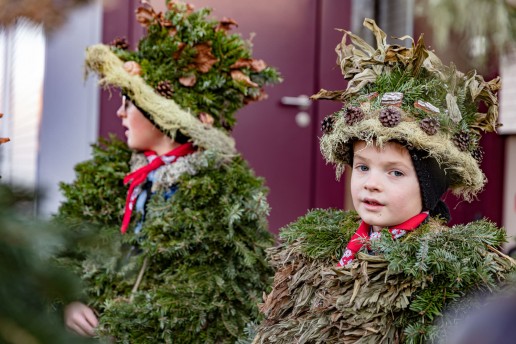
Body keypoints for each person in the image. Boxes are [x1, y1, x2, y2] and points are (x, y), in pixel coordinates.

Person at [251, 19, 514, 343]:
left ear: (429, 188)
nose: (371, 184)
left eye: (395, 172)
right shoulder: (326, 250)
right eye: (363, 168)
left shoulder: (440, 272)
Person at [55, 1, 281, 342]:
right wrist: (68, 301)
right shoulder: (113, 172)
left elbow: (205, 297)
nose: (119, 113)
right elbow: (66, 247)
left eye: (129, 102)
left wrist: (122, 329)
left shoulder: (216, 192)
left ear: (161, 114)